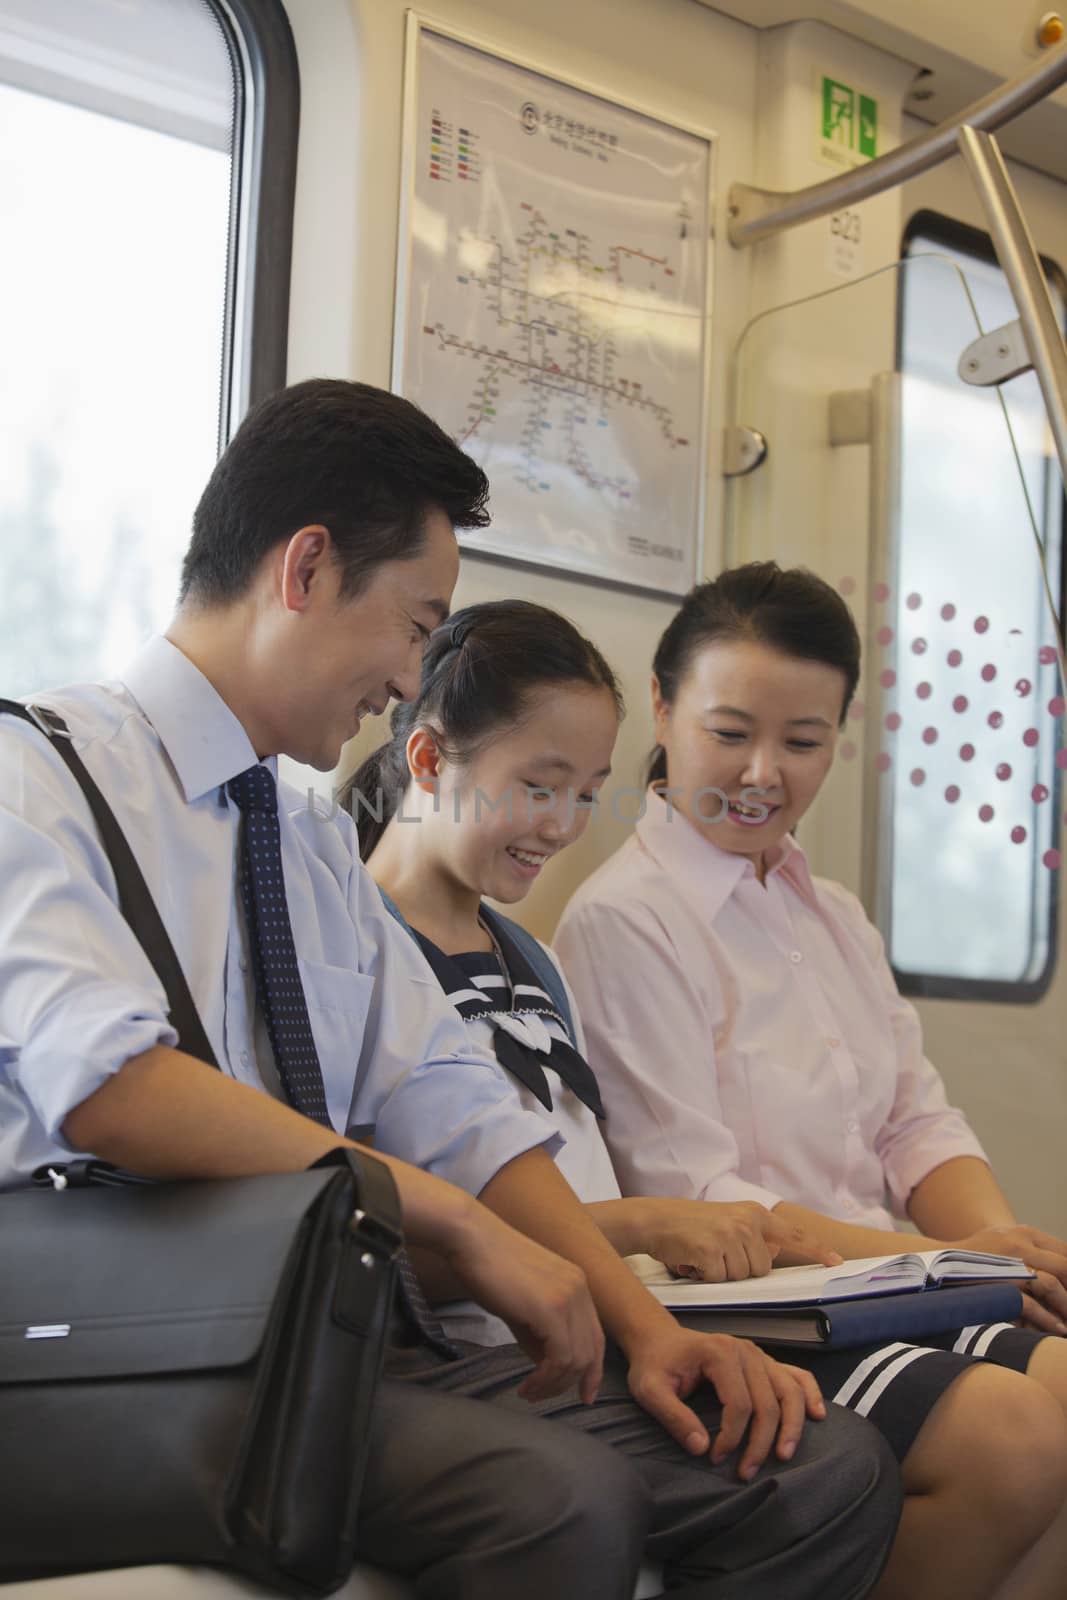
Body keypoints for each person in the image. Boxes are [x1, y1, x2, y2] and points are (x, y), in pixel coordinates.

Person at [0, 390, 899, 1600]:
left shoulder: (309, 847)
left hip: (327, 1338)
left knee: (815, 1467)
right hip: (130, 1350)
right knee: (559, 1503)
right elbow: (109, 1082)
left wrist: (647, 1327)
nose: (412, 674)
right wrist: (460, 1228)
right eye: (415, 624)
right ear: (307, 568)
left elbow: (454, 1098)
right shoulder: (35, 775)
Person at [346, 595, 1063, 1600]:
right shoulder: (372, 946)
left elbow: (913, 1116)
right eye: (539, 785)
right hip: (553, 1324)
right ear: (429, 764)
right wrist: (939, 1260)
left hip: (618, 1307)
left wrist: (974, 1249)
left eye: (584, 790)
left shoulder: (531, 959)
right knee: (904, 1453)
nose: (562, 825)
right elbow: (468, 1216)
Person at [553, 561, 1067, 1600]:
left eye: (800, 742)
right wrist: (953, 1261)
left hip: (886, 1279)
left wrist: (1000, 1249)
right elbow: (704, 1201)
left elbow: (914, 1123)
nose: (760, 774)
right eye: (729, 732)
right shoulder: (625, 919)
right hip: (755, 1305)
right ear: (660, 705)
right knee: (1013, 1441)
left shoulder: (828, 910)